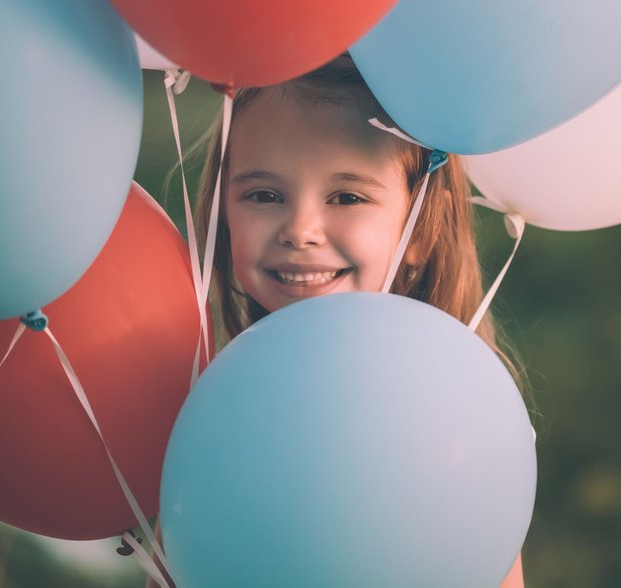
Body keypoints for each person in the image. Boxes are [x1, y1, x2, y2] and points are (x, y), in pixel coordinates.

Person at [148, 52, 527, 588]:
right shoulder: (211, 417)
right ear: (222, 214)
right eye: (263, 195)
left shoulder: (454, 427)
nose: (300, 229)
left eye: (347, 197)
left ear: (418, 228)